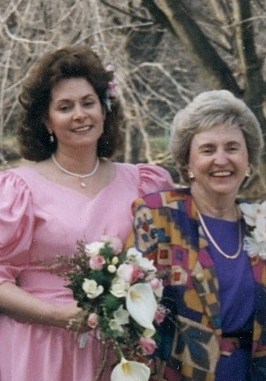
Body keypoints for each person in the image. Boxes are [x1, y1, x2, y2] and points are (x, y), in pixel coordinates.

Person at [0, 45, 175, 381]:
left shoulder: (144, 183)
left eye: (88, 102)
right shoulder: (18, 190)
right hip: (39, 347)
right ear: (46, 120)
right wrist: (56, 314)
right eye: (65, 107)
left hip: (117, 352)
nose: (80, 114)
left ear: (104, 108)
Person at [132, 90, 266, 381]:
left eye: (232, 148)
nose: (221, 160)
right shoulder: (159, 215)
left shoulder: (259, 221)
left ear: (248, 161)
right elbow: (137, 314)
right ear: (188, 164)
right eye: (208, 150)